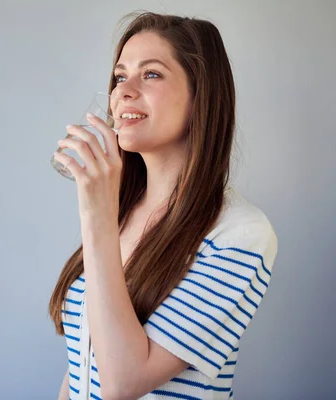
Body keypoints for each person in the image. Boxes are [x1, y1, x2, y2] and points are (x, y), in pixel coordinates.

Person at [49, 11, 278, 400]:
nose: (123, 90)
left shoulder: (241, 234)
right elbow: (81, 369)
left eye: (151, 74)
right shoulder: (120, 213)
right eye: (120, 76)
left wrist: (96, 212)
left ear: (200, 96)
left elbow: (123, 382)